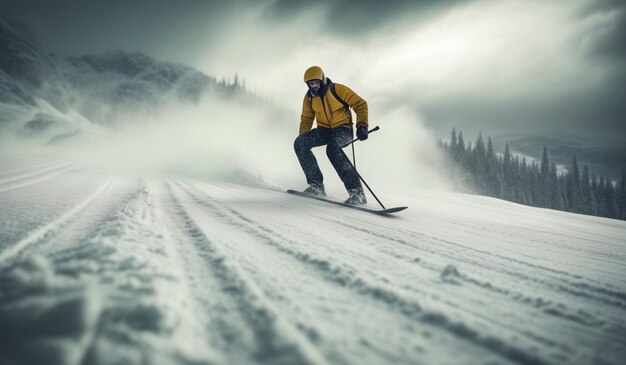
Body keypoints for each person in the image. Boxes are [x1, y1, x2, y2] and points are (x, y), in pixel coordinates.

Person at [294, 66, 369, 205]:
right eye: (310, 83)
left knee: (333, 150)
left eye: (315, 82)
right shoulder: (309, 98)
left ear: (322, 80)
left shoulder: (338, 90)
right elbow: (306, 119)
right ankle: (316, 186)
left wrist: (362, 125)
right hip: (324, 130)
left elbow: (360, 104)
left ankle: (357, 193)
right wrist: (302, 138)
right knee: (300, 143)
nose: (313, 86)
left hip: (343, 129)